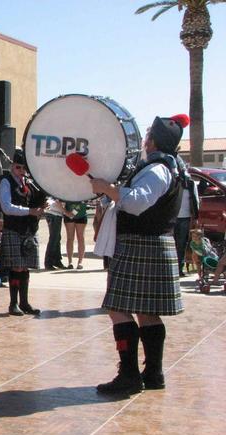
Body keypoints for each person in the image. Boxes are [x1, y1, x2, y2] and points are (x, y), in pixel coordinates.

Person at [91, 114, 188, 395]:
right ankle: (153, 374)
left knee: (117, 309)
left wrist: (106, 188)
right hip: (154, 244)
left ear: (152, 140)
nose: (144, 140)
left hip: (140, 244)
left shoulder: (157, 169)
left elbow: (136, 202)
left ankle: (130, 375)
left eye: (147, 135)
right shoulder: (172, 167)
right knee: (147, 313)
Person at [0, 148, 45, 316]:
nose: (22, 171)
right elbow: (6, 207)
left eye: (24, 168)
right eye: (18, 167)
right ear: (12, 166)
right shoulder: (6, 182)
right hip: (14, 229)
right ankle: (13, 304)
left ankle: (24, 303)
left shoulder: (28, 184)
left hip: (28, 230)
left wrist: (42, 207)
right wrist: (29, 211)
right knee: (16, 267)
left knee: (25, 268)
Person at [173, 156, 199, 277]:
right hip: (172, 218)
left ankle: (179, 269)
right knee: (172, 245)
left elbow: (195, 200)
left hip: (185, 218)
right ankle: (172, 269)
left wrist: (195, 217)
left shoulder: (190, 184)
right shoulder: (173, 182)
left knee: (182, 244)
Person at [43, 198, 68, 270]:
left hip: (54, 213)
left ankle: (56, 260)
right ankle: (49, 262)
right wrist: (67, 212)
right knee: (54, 238)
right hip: (54, 213)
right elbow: (58, 202)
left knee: (56, 238)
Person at [63, 201, 87, 269]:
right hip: (68, 215)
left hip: (81, 215)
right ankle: (70, 262)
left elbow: (83, 202)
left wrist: (72, 213)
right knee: (70, 238)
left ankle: (80, 262)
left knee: (80, 238)